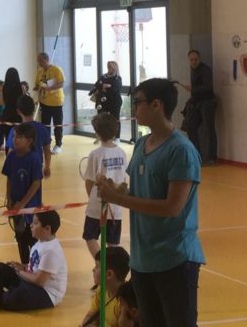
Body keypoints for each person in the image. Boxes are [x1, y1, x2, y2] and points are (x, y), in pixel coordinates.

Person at [96, 77, 205, 327]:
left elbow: (172, 207)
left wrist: (119, 198)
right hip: (143, 258)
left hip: (174, 258)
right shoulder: (141, 144)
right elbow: (137, 189)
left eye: (138, 102)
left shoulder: (181, 151)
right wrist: (115, 189)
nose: (134, 107)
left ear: (157, 105)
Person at [0, 210, 67, 313]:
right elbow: (35, 268)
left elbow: (39, 281)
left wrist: (19, 272)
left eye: (35, 223)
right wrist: (23, 267)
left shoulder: (51, 251)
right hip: (32, 284)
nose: (31, 225)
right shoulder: (40, 242)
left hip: (46, 294)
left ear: (47, 228)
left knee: (16, 296)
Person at [84, 113, 127, 265]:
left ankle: (101, 263)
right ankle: (109, 267)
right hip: (116, 206)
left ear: (97, 133)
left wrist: (91, 200)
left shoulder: (95, 154)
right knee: (113, 242)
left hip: (97, 207)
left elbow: (89, 181)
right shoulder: (122, 153)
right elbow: (123, 180)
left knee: (90, 236)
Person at [3, 122, 43, 265]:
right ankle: (25, 266)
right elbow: (9, 178)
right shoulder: (11, 156)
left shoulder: (34, 158)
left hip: (31, 206)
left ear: (29, 141)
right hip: (16, 206)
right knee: (20, 238)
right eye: (14, 136)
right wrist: (9, 198)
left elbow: (36, 183)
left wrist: (23, 203)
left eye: (19, 137)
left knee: (33, 239)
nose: (15, 139)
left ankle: (35, 267)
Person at [179, 50, 218, 165]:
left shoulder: (205, 70)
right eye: (191, 60)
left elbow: (208, 86)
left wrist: (193, 89)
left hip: (208, 102)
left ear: (199, 59)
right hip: (198, 102)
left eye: (195, 59)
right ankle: (196, 154)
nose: (193, 62)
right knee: (190, 126)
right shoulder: (194, 70)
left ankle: (212, 157)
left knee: (209, 129)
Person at [81, 247, 131, 327]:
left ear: (109, 274)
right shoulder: (101, 291)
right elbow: (90, 316)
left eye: (97, 266)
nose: (93, 269)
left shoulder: (124, 302)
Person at [6, 96, 52, 178]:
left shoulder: (15, 130)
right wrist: (47, 167)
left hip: (19, 168)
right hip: (36, 167)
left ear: (18, 111)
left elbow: (10, 153)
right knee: (36, 185)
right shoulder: (42, 128)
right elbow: (47, 151)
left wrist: (9, 169)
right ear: (34, 109)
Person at [34, 53, 66, 154]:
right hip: (44, 102)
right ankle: (46, 143)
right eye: (38, 61)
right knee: (45, 125)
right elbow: (37, 84)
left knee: (57, 125)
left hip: (56, 102)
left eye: (41, 61)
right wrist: (38, 88)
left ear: (46, 59)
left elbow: (61, 83)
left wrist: (49, 88)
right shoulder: (40, 71)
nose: (39, 63)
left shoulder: (56, 70)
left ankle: (58, 145)